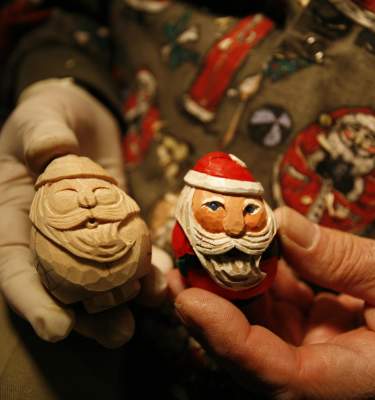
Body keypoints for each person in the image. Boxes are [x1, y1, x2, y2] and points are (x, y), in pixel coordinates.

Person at [0, 0, 374, 398]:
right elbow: (66, 13)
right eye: (215, 207)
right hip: (123, 334)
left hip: (328, 323)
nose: (233, 226)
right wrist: (61, 75)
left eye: (247, 211)